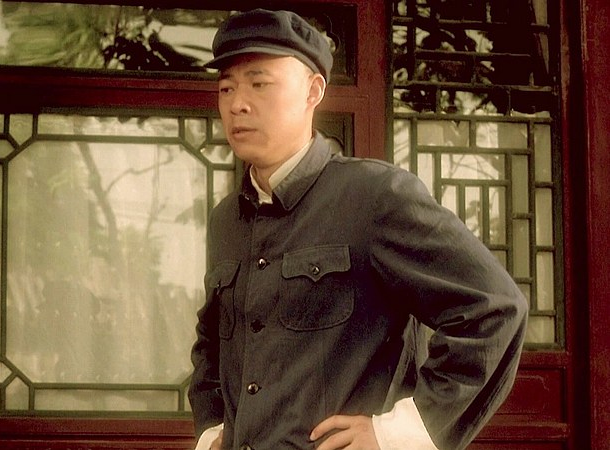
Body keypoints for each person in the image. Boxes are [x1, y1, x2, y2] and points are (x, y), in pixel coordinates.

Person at [188, 9, 528, 450]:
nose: (238, 103)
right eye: (226, 88)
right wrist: (212, 430)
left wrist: (394, 435)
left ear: (313, 91)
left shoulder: (375, 197)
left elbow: (494, 309)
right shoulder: (226, 220)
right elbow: (211, 342)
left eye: (259, 83)